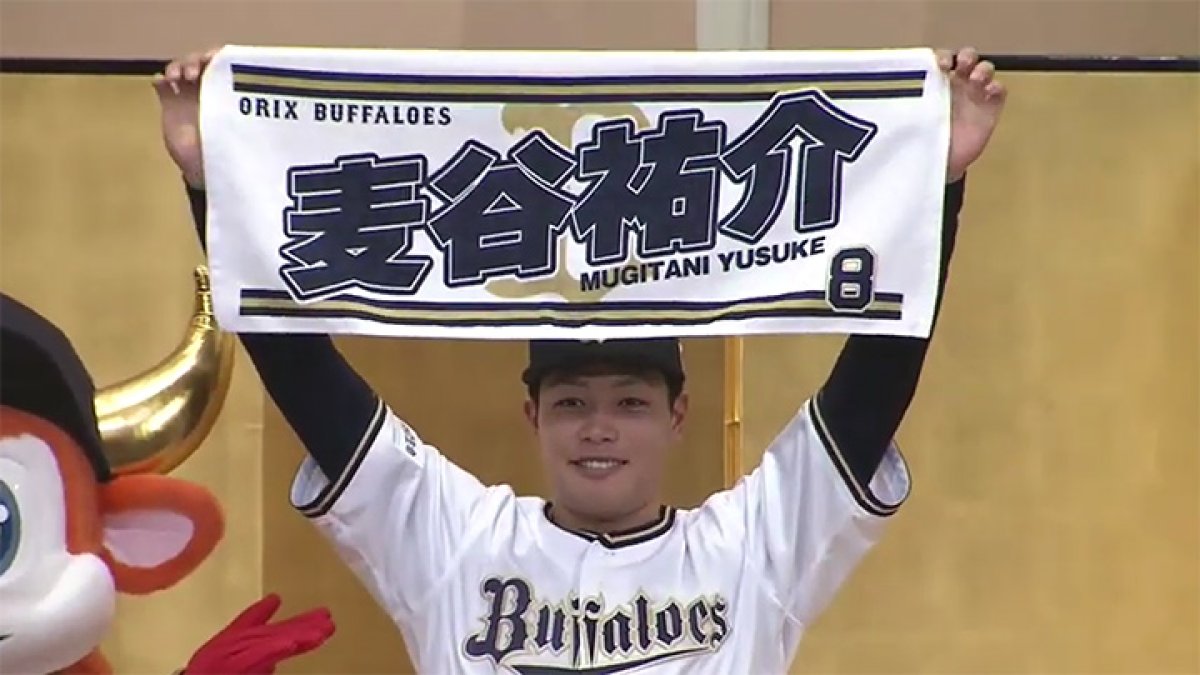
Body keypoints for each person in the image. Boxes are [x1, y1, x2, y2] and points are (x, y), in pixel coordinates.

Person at [152, 45, 1005, 673]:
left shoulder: (747, 550)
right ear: (532, 414)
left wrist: (940, 188)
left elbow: (864, 401)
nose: (599, 427)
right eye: (571, 401)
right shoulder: (459, 541)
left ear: (677, 413)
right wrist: (211, 184)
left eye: (630, 401)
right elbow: (316, 390)